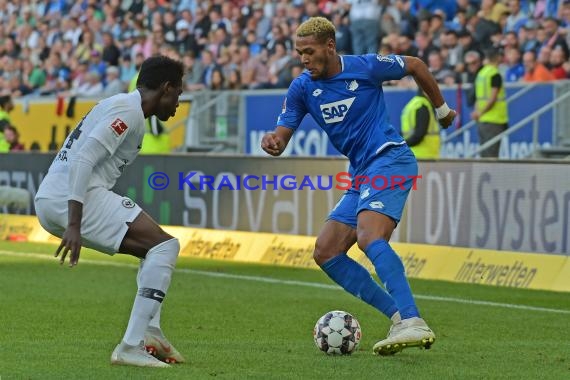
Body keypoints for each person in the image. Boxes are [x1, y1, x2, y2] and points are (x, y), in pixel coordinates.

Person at [261, 17, 456, 356]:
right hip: (362, 172)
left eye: (309, 51)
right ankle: (398, 318)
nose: (304, 59)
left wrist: (441, 110)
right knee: (326, 251)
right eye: (299, 53)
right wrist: (274, 141)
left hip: (390, 159)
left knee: (369, 237)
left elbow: (415, 65)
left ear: (330, 47)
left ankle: (413, 320)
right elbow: (283, 131)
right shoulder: (303, 87)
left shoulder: (365, 67)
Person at [34, 55, 186, 368]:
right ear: (167, 88)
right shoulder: (128, 112)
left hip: (53, 197)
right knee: (165, 245)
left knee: (153, 251)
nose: (177, 104)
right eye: (179, 95)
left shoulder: (121, 106)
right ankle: (131, 345)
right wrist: (74, 223)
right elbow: (83, 160)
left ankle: (150, 332)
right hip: (72, 197)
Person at [471, 48, 509, 158]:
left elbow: (479, 97)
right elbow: (492, 98)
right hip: (494, 120)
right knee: (491, 155)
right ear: (498, 58)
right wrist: (481, 112)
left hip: (482, 120)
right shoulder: (495, 74)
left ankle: (484, 175)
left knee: (485, 154)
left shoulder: (481, 74)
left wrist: (477, 112)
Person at [401, 89, 440, 159]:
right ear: (425, 91)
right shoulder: (422, 106)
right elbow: (419, 135)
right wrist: (403, 145)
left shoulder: (412, 104)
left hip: (412, 154)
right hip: (424, 156)